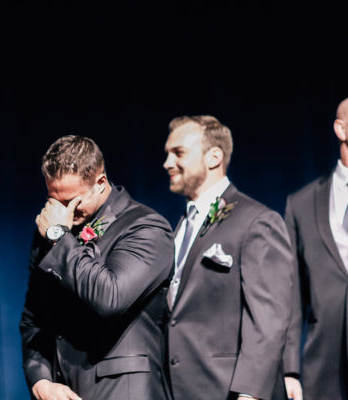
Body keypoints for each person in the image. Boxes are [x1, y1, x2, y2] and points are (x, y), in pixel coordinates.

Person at [20, 135, 175, 400]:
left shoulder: (145, 226)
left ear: (100, 183)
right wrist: (41, 380)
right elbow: (34, 319)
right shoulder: (51, 233)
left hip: (122, 391)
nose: (63, 212)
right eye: (53, 200)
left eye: (71, 201)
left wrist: (58, 237)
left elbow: (110, 297)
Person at [163, 115, 295, 400]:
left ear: (214, 157)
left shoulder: (257, 221)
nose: (167, 163)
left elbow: (268, 319)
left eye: (178, 153)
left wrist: (250, 394)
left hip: (229, 390)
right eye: (167, 154)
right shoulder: (182, 224)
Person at [284, 97, 348, 399]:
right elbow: (292, 293)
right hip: (325, 368)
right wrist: (290, 370)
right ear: (341, 129)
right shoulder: (302, 203)